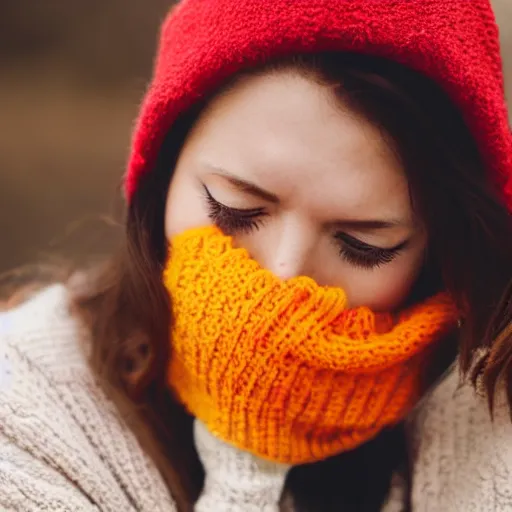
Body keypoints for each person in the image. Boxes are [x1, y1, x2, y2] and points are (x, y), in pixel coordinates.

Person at [1, 0, 512, 510]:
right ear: (162, 176)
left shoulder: (491, 409)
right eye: (235, 210)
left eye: (363, 246)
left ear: (440, 253)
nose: (283, 276)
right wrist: (247, 464)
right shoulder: (22, 404)